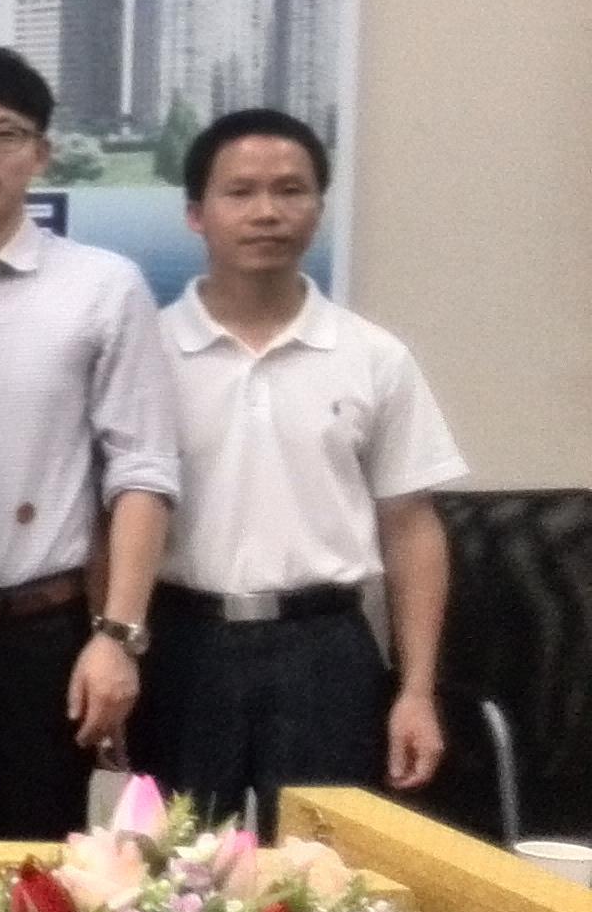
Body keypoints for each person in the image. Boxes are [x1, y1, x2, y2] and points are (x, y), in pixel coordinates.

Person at [140, 108, 464, 828]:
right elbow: (112, 520)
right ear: (196, 213)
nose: (267, 211)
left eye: (290, 190)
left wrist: (417, 690)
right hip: (183, 645)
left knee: (326, 872)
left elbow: (412, 529)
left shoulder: (373, 357)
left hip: (325, 649)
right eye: (240, 192)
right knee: (177, 871)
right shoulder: (147, 353)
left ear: (319, 207)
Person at [0, 47, 180, 841]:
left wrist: (117, 637)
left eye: (3, 134)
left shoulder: (102, 286)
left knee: (41, 881)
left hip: (38, 639)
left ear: (42, 153)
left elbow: (143, 470)